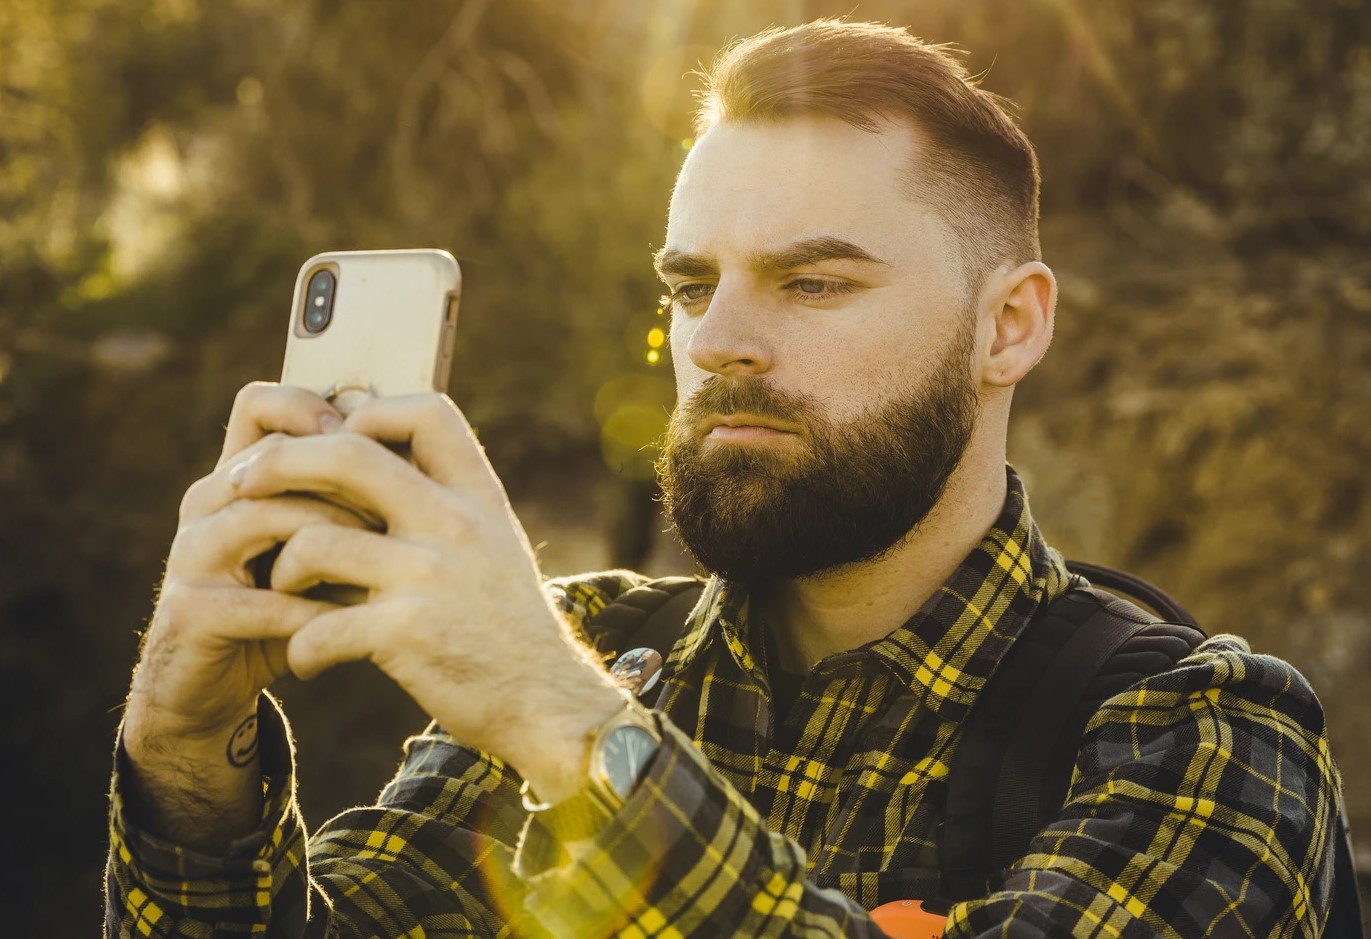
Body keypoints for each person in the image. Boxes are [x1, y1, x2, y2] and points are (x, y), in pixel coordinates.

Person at [105, 20, 1344, 938]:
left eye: (813, 282)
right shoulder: (593, 645)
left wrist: (569, 732)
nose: (714, 341)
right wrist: (183, 757)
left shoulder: (1200, 735)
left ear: (1008, 327)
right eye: (692, 287)